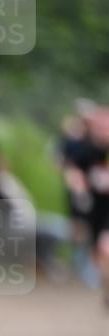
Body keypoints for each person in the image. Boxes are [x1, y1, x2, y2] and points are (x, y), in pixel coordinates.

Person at [61, 102, 109, 307]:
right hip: (95, 208)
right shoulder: (85, 150)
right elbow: (71, 170)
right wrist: (78, 186)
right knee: (98, 250)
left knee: (106, 246)